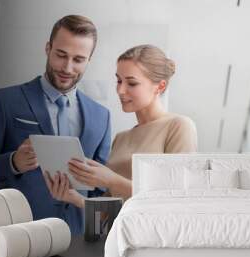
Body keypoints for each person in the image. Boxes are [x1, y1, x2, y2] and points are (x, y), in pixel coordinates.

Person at [0, 15, 111, 235]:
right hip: (20, 233)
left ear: (89, 60)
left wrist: (96, 240)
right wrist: (13, 162)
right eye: (61, 55)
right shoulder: (3, 100)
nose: (67, 67)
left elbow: (99, 192)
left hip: (79, 237)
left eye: (78, 59)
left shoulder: (101, 116)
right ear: (48, 48)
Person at [45, 44, 197, 202]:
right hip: (117, 227)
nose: (120, 90)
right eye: (119, 81)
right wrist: (73, 197)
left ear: (160, 86)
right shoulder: (121, 138)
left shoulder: (179, 126)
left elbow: (176, 198)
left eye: (131, 83)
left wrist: (110, 180)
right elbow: (109, 211)